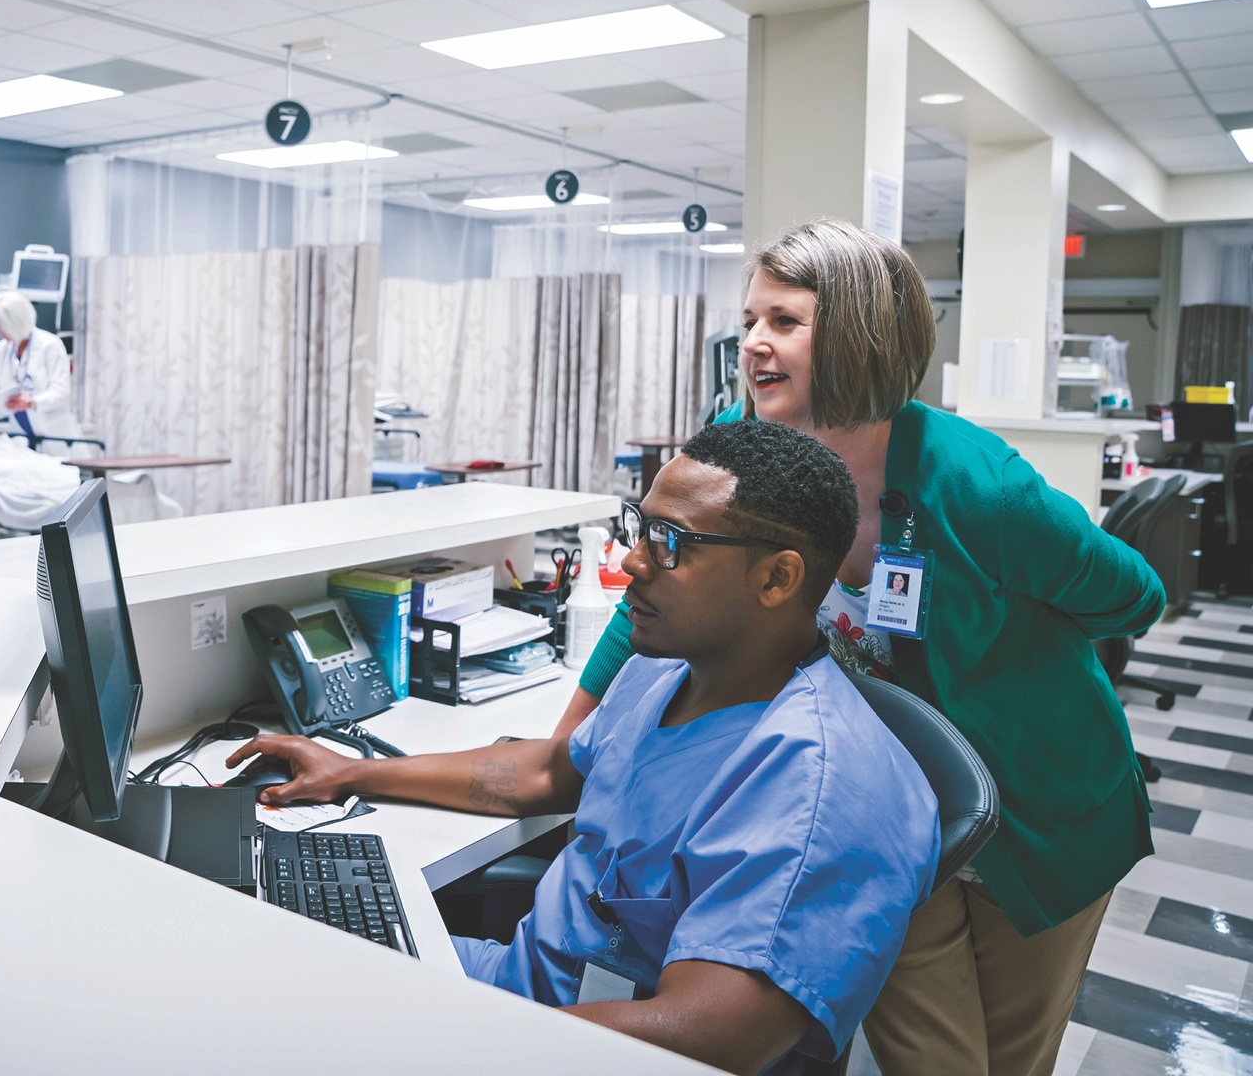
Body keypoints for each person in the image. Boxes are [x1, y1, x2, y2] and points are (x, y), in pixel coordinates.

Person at [563, 219, 1165, 1075]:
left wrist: (1007, 658)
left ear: (855, 332)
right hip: (887, 807)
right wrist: (568, 737)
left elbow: (1134, 595)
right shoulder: (743, 440)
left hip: (1043, 808)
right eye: (750, 320)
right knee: (931, 1061)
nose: (753, 344)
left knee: (1011, 1059)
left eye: (784, 321)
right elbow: (651, 584)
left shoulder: (976, 484)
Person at [228, 422, 940, 1076]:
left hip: (562, 1044)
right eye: (640, 528)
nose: (633, 562)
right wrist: (354, 773)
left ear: (777, 579)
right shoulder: (670, 669)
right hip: (516, 990)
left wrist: (461, 1037)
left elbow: (714, 1034)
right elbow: (542, 771)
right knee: (259, 947)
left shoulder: (817, 785)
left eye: (670, 542)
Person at [0, 290, 82, 445]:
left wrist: (31, 402)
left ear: (15, 322)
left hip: (54, 433)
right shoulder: (1, 350)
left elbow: (61, 392)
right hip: (20, 433)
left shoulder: (50, 345)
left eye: (1, 325)